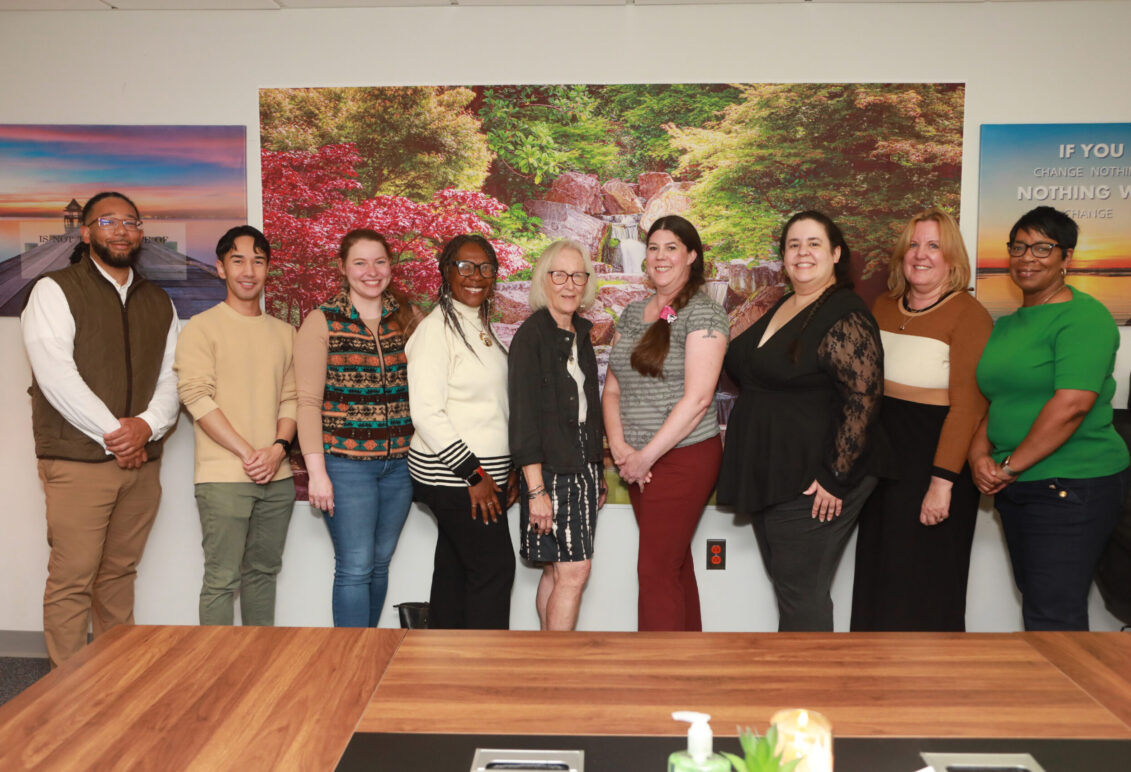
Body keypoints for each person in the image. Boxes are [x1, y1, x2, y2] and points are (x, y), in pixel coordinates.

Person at [21, 191, 180, 666]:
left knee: (118, 575)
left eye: (130, 221)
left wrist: (147, 428)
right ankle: (64, 692)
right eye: (108, 221)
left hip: (142, 463)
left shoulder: (159, 300)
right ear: (86, 232)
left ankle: (116, 684)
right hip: (78, 461)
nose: (121, 230)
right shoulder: (54, 289)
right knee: (73, 579)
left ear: (140, 232)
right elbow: (56, 378)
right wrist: (120, 435)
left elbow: (173, 377)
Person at [717, 210, 883, 632]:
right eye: (794, 245)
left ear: (836, 253)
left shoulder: (845, 314)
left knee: (800, 592)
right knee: (791, 585)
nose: (802, 253)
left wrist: (834, 475)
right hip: (777, 469)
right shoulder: (787, 305)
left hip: (814, 475)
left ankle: (810, 692)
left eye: (814, 244)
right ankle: (798, 687)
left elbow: (864, 398)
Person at [971, 205, 1129, 631]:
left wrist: (1009, 465)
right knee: (1041, 603)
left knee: (1052, 614)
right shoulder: (1006, 325)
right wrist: (978, 453)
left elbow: (1072, 405)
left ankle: (1067, 700)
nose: (1027, 257)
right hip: (1020, 487)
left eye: (1042, 247)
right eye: (1019, 247)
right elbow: (998, 400)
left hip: (1072, 484)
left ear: (1067, 258)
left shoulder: (1085, 317)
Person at [850, 208, 993, 632]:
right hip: (883, 467)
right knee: (880, 577)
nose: (921, 254)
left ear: (952, 258)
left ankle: (927, 691)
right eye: (913, 244)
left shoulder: (970, 315)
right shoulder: (882, 306)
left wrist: (941, 483)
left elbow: (968, 408)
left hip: (934, 464)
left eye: (933, 246)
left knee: (926, 584)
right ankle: (872, 685)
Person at [602, 215, 729, 632]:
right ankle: (687, 668)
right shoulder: (633, 313)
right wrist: (620, 448)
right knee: (671, 565)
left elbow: (698, 400)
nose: (659, 256)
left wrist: (645, 457)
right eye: (653, 247)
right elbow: (613, 390)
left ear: (691, 255)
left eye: (671, 247)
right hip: (637, 461)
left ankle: (660, 680)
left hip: (681, 458)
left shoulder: (705, 313)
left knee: (655, 571)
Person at [295, 229, 419, 628]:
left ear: (390, 266)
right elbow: (309, 403)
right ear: (342, 268)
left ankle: (370, 653)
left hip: (400, 466)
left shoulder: (407, 317)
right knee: (355, 566)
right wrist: (317, 474)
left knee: (380, 563)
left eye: (380, 261)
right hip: (346, 466)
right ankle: (349, 659)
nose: (371, 271)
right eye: (360, 262)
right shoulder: (323, 320)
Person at [174, 226, 297, 627]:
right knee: (222, 580)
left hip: (276, 478)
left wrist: (277, 450)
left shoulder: (285, 333)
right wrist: (248, 453)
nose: (249, 270)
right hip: (224, 477)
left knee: (263, 574)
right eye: (238, 260)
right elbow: (196, 397)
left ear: (268, 269)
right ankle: (216, 679)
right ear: (221, 268)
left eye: (258, 261)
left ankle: (258, 671)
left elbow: (291, 399)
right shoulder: (201, 328)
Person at [407, 234, 517, 629]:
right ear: (445, 272)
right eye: (465, 267)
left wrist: (510, 470)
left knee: (455, 572)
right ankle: (485, 677)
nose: (476, 276)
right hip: (458, 479)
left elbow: (491, 408)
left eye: (486, 268)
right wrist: (475, 474)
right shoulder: (435, 332)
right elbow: (427, 414)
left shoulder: (477, 325)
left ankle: (445, 666)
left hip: (485, 477)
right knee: (493, 572)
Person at [508, 239, 607, 631]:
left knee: (555, 572)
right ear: (543, 280)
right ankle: (557, 674)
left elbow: (588, 410)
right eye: (559, 275)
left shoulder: (580, 334)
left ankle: (543, 664)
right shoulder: (530, 337)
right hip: (549, 474)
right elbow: (524, 421)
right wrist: (535, 490)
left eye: (578, 275)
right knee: (574, 572)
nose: (569, 284)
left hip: (580, 468)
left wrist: (596, 469)